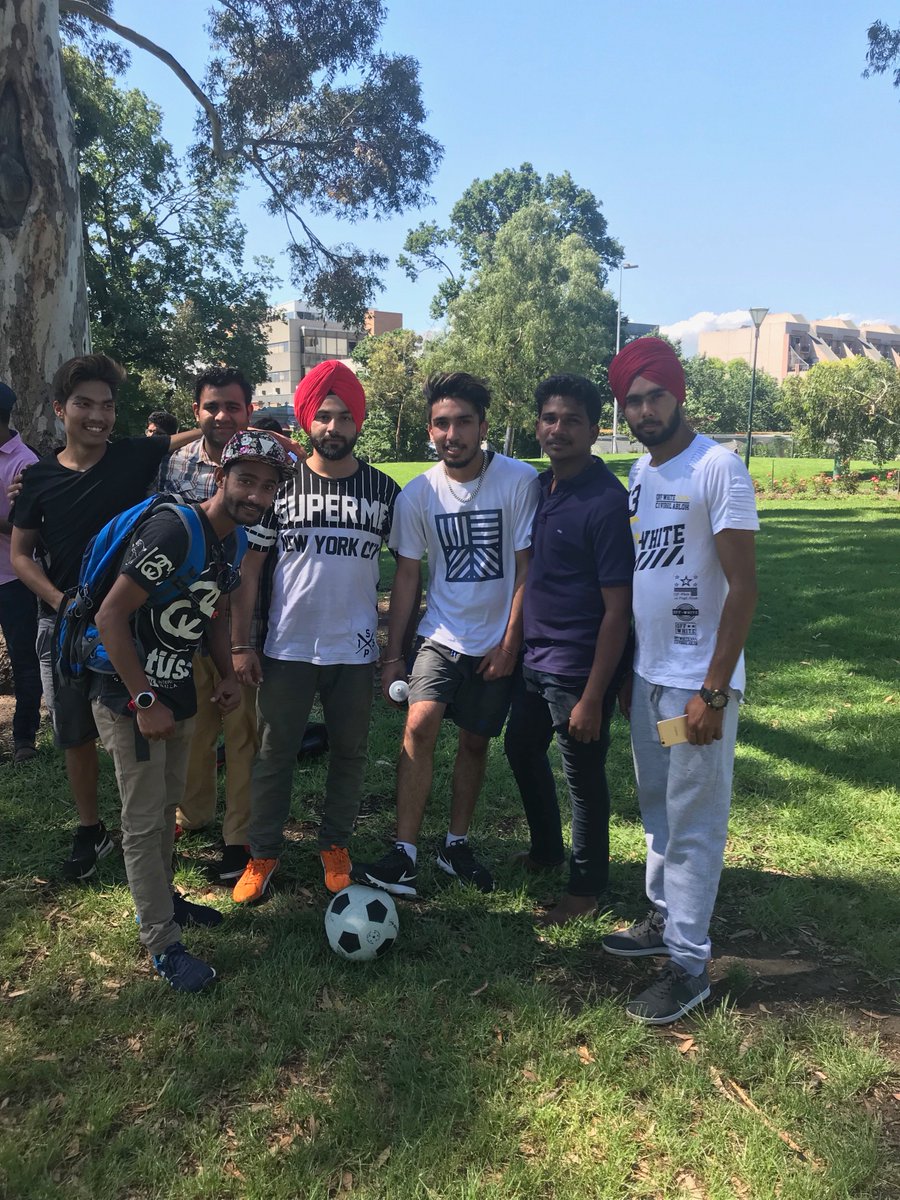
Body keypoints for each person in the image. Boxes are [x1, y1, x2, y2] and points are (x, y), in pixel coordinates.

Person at [92, 431, 296, 991]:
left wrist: (226, 674)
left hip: (179, 686)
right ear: (220, 478)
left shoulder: (232, 542)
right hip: (128, 690)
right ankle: (161, 942)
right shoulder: (175, 529)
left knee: (165, 809)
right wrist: (144, 700)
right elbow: (111, 618)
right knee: (142, 819)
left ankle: (167, 901)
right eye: (246, 480)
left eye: (268, 486)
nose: (255, 494)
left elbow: (215, 606)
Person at [600, 337, 758, 1024]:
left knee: (695, 823)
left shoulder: (718, 468)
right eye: (631, 401)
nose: (643, 410)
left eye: (653, 395)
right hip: (651, 676)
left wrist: (714, 691)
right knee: (659, 809)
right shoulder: (639, 474)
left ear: (678, 393)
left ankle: (690, 966)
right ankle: (664, 917)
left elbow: (745, 587)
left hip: (700, 683)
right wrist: (639, 672)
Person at [10, 354, 202, 880]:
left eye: (107, 406)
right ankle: (90, 829)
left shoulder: (131, 456)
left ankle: (141, 834)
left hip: (129, 625)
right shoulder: (38, 478)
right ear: (58, 409)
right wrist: (56, 599)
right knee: (74, 734)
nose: (97, 416)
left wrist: (232, 424)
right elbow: (21, 555)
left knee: (134, 732)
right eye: (84, 404)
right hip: (66, 625)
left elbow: (189, 437)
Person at [352, 372, 540, 897]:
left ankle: (456, 846)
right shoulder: (417, 495)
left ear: (482, 426)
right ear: (429, 430)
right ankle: (404, 853)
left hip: (496, 642)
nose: (451, 433)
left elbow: (528, 569)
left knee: (475, 743)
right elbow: (408, 577)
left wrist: (509, 645)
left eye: (462, 422)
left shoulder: (519, 481)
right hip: (441, 635)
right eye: (441, 423)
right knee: (419, 729)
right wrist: (394, 658)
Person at [230, 361, 402, 902]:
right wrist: (241, 644)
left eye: (344, 416)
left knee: (349, 753)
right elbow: (251, 569)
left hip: (354, 649)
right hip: (287, 646)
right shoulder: (278, 485)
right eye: (323, 416)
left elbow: (412, 565)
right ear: (308, 420)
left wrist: (396, 650)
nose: (333, 426)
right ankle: (263, 854)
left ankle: (335, 845)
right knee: (274, 753)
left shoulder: (383, 490)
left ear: (359, 422)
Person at [504, 374, 633, 925]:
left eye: (572, 420)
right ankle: (547, 850)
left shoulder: (606, 503)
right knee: (520, 748)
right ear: (537, 425)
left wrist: (593, 696)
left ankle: (585, 890)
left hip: (579, 670)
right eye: (550, 419)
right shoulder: (541, 487)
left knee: (583, 780)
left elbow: (618, 609)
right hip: (536, 660)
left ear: (595, 428)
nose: (558, 430)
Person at [155, 367, 265, 883]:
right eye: (211, 407)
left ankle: (237, 836)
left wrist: (241, 643)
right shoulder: (174, 464)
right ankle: (191, 813)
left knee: (241, 731)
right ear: (196, 410)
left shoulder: (265, 467)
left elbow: (253, 564)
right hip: (185, 624)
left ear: (249, 410)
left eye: (234, 407)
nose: (222, 416)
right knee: (194, 727)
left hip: (242, 623)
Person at [0, 383, 41, 764]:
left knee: (24, 660)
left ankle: (24, 741)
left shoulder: (24, 462)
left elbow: (30, 535)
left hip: (13, 579)